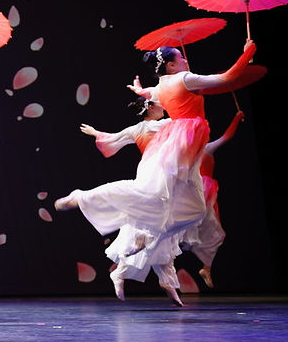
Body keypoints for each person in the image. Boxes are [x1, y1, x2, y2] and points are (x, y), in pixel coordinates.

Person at [54, 40, 256, 306]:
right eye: (180, 59)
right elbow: (227, 77)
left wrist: (139, 89)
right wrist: (247, 53)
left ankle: (148, 237)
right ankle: (81, 197)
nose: (185, 60)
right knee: (149, 193)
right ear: (171, 65)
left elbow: (152, 93)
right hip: (179, 142)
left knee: (196, 209)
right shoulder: (183, 78)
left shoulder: (163, 86)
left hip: (189, 149)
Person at [78, 97, 179, 302]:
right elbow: (184, 119)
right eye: (159, 103)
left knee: (158, 226)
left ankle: (142, 274)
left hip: (153, 177)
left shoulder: (136, 129)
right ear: (150, 108)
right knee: (158, 225)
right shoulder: (164, 124)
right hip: (157, 178)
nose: (163, 106)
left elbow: (113, 138)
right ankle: (129, 272)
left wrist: (96, 133)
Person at [187, 110, 244, 289]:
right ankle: (205, 267)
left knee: (213, 232)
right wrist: (237, 117)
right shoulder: (205, 148)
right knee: (214, 232)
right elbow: (227, 136)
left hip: (197, 192)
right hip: (202, 192)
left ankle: (206, 268)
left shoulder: (189, 152)